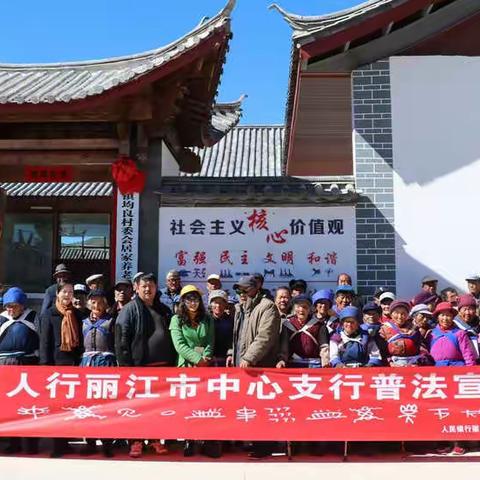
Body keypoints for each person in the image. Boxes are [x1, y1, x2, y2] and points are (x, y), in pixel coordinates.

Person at [115, 273, 175, 458]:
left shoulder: (164, 310)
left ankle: (155, 440)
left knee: (157, 408)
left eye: (151, 285)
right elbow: (121, 339)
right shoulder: (129, 310)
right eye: (144, 286)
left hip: (163, 369)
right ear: (136, 288)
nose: (148, 289)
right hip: (139, 370)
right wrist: (126, 368)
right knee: (138, 408)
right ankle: (136, 442)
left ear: (157, 288)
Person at [229, 275, 280, 458]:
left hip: (260, 367)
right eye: (238, 290)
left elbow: (265, 337)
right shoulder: (240, 308)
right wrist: (230, 353)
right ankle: (253, 440)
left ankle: (265, 445)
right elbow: (237, 337)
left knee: (262, 406)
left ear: (256, 289)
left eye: (245, 290)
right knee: (248, 406)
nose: (241, 294)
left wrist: (249, 357)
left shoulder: (267, 307)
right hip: (242, 366)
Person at [170, 285, 218, 458]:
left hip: (205, 368)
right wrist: (197, 360)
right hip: (186, 367)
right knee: (187, 407)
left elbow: (210, 341)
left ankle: (205, 440)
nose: (193, 303)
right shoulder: (176, 320)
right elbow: (179, 345)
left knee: (204, 406)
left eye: (196, 299)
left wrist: (205, 358)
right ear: (183, 301)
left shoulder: (207, 319)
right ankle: (188, 440)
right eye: (189, 299)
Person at [39, 281, 83, 458]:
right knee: (56, 409)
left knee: (70, 408)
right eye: (64, 292)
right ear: (57, 294)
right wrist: (44, 367)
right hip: (55, 368)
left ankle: (67, 442)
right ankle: (57, 445)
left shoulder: (77, 314)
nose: (68, 295)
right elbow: (45, 344)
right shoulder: (49, 315)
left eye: (71, 292)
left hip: (73, 366)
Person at [430, 302, 477, 456]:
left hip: (457, 375)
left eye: (448, 315)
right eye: (442, 315)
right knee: (440, 410)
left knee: (457, 410)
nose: (445, 318)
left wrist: (470, 375)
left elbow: (468, 356)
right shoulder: (431, 334)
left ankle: (460, 442)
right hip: (437, 377)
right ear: (437, 317)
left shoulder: (459, 334)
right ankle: (442, 442)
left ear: (453, 317)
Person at [0, 287, 39, 454]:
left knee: (28, 407)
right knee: (8, 407)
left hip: (27, 364)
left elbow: (41, 339)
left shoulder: (33, 317)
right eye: (7, 306)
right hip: (4, 365)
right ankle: (11, 442)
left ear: (22, 305)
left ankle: (31, 444)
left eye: (14, 306)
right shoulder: (1, 319)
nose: (10, 309)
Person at [79, 289, 116, 457]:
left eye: (100, 302)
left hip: (106, 364)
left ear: (106, 304)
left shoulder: (111, 321)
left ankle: (107, 443)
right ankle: (91, 442)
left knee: (106, 406)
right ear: (88, 304)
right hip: (87, 365)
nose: (97, 305)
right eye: (93, 302)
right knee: (88, 406)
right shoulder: (83, 322)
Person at [277, 294, 329, 368]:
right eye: (298, 307)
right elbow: (284, 346)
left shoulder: (319, 325)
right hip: (293, 364)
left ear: (310, 309)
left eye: (305, 307)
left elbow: (324, 346)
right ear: (294, 309)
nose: (301, 310)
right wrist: (282, 360)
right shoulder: (287, 324)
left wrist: (325, 362)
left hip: (314, 365)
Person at [379, 300, 430, 366]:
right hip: (393, 365)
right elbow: (382, 351)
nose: (400, 317)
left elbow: (421, 348)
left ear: (407, 315)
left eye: (403, 313)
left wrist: (418, 362)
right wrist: (390, 363)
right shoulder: (384, 329)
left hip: (413, 365)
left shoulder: (414, 329)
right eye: (396, 313)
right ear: (391, 314)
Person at [208, 290, 233, 368]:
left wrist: (230, 354)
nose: (218, 306)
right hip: (207, 359)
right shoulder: (204, 320)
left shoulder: (231, 321)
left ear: (226, 305)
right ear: (210, 304)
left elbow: (232, 341)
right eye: (215, 302)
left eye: (221, 303)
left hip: (225, 361)